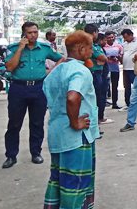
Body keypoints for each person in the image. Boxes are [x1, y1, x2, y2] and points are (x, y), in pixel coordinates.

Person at [42, 31, 99, 209]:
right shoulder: (80, 71)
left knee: (59, 179)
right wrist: (75, 122)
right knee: (77, 183)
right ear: (81, 49)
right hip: (77, 136)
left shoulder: (55, 70)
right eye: (90, 49)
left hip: (58, 133)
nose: (92, 52)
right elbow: (72, 97)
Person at [3, 22, 64, 169]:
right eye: (30, 32)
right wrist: (20, 48)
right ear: (23, 33)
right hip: (18, 88)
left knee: (37, 123)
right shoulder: (12, 49)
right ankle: (11, 155)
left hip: (38, 88)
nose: (33, 35)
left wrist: (51, 71)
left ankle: (36, 152)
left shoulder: (44, 48)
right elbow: (10, 67)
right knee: (14, 123)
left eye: (35, 32)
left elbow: (60, 58)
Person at [120, 29, 137, 109]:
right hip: (125, 68)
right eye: (124, 38)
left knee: (136, 87)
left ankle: (136, 103)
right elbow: (123, 54)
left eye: (126, 37)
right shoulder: (124, 44)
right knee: (126, 87)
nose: (125, 39)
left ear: (131, 35)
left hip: (134, 68)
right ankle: (128, 103)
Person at [103, 31, 123, 109]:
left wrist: (118, 57)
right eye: (109, 37)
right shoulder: (103, 46)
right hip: (106, 68)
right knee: (105, 86)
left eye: (112, 37)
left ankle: (115, 103)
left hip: (115, 68)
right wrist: (107, 58)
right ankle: (104, 102)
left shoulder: (118, 46)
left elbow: (121, 57)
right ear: (106, 38)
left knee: (115, 86)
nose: (111, 39)